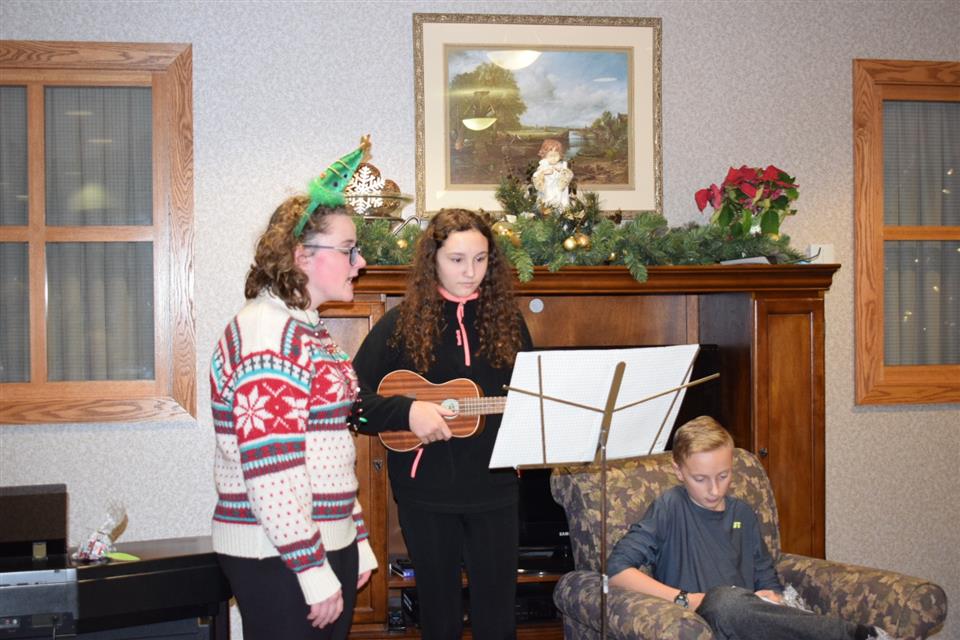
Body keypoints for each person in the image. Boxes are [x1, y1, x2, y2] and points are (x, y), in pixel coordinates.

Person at [352, 208, 533, 639]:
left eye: (481, 259)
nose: (470, 272)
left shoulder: (508, 323)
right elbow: (350, 404)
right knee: (438, 612)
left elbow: (529, 402)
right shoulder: (400, 324)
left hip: (496, 489)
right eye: (456, 259)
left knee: (498, 613)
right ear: (432, 259)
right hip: (426, 493)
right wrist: (408, 412)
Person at [209, 194, 377, 640]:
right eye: (348, 249)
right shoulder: (266, 334)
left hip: (316, 545)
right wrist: (311, 569)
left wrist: (355, 538)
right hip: (277, 555)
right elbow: (272, 471)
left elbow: (328, 450)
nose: (359, 262)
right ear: (302, 256)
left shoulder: (303, 327)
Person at [607, 416, 898, 640]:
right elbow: (617, 571)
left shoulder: (742, 514)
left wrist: (771, 596)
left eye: (723, 475)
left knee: (738, 600)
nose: (714, 489)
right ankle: (855, 635)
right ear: (679, 471)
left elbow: (766, 579)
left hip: (751, 624)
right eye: (700, 479)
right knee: (723, 599)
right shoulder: (669, 507)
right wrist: (687, 599)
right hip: (707, 622)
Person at [531, 138, 573, 211]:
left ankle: (562, 214)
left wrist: (563, 172)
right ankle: (547, 214)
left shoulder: (562, 166)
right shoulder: (543, 166)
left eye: (556, 155)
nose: (553, 158)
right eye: (551, 155)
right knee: (546, 205)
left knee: (561, 205)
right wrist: (543, 173)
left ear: (560, 155)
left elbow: (569, 176)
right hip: (548, 191)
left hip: (560, 192)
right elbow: (535, 177)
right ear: (544, 155)